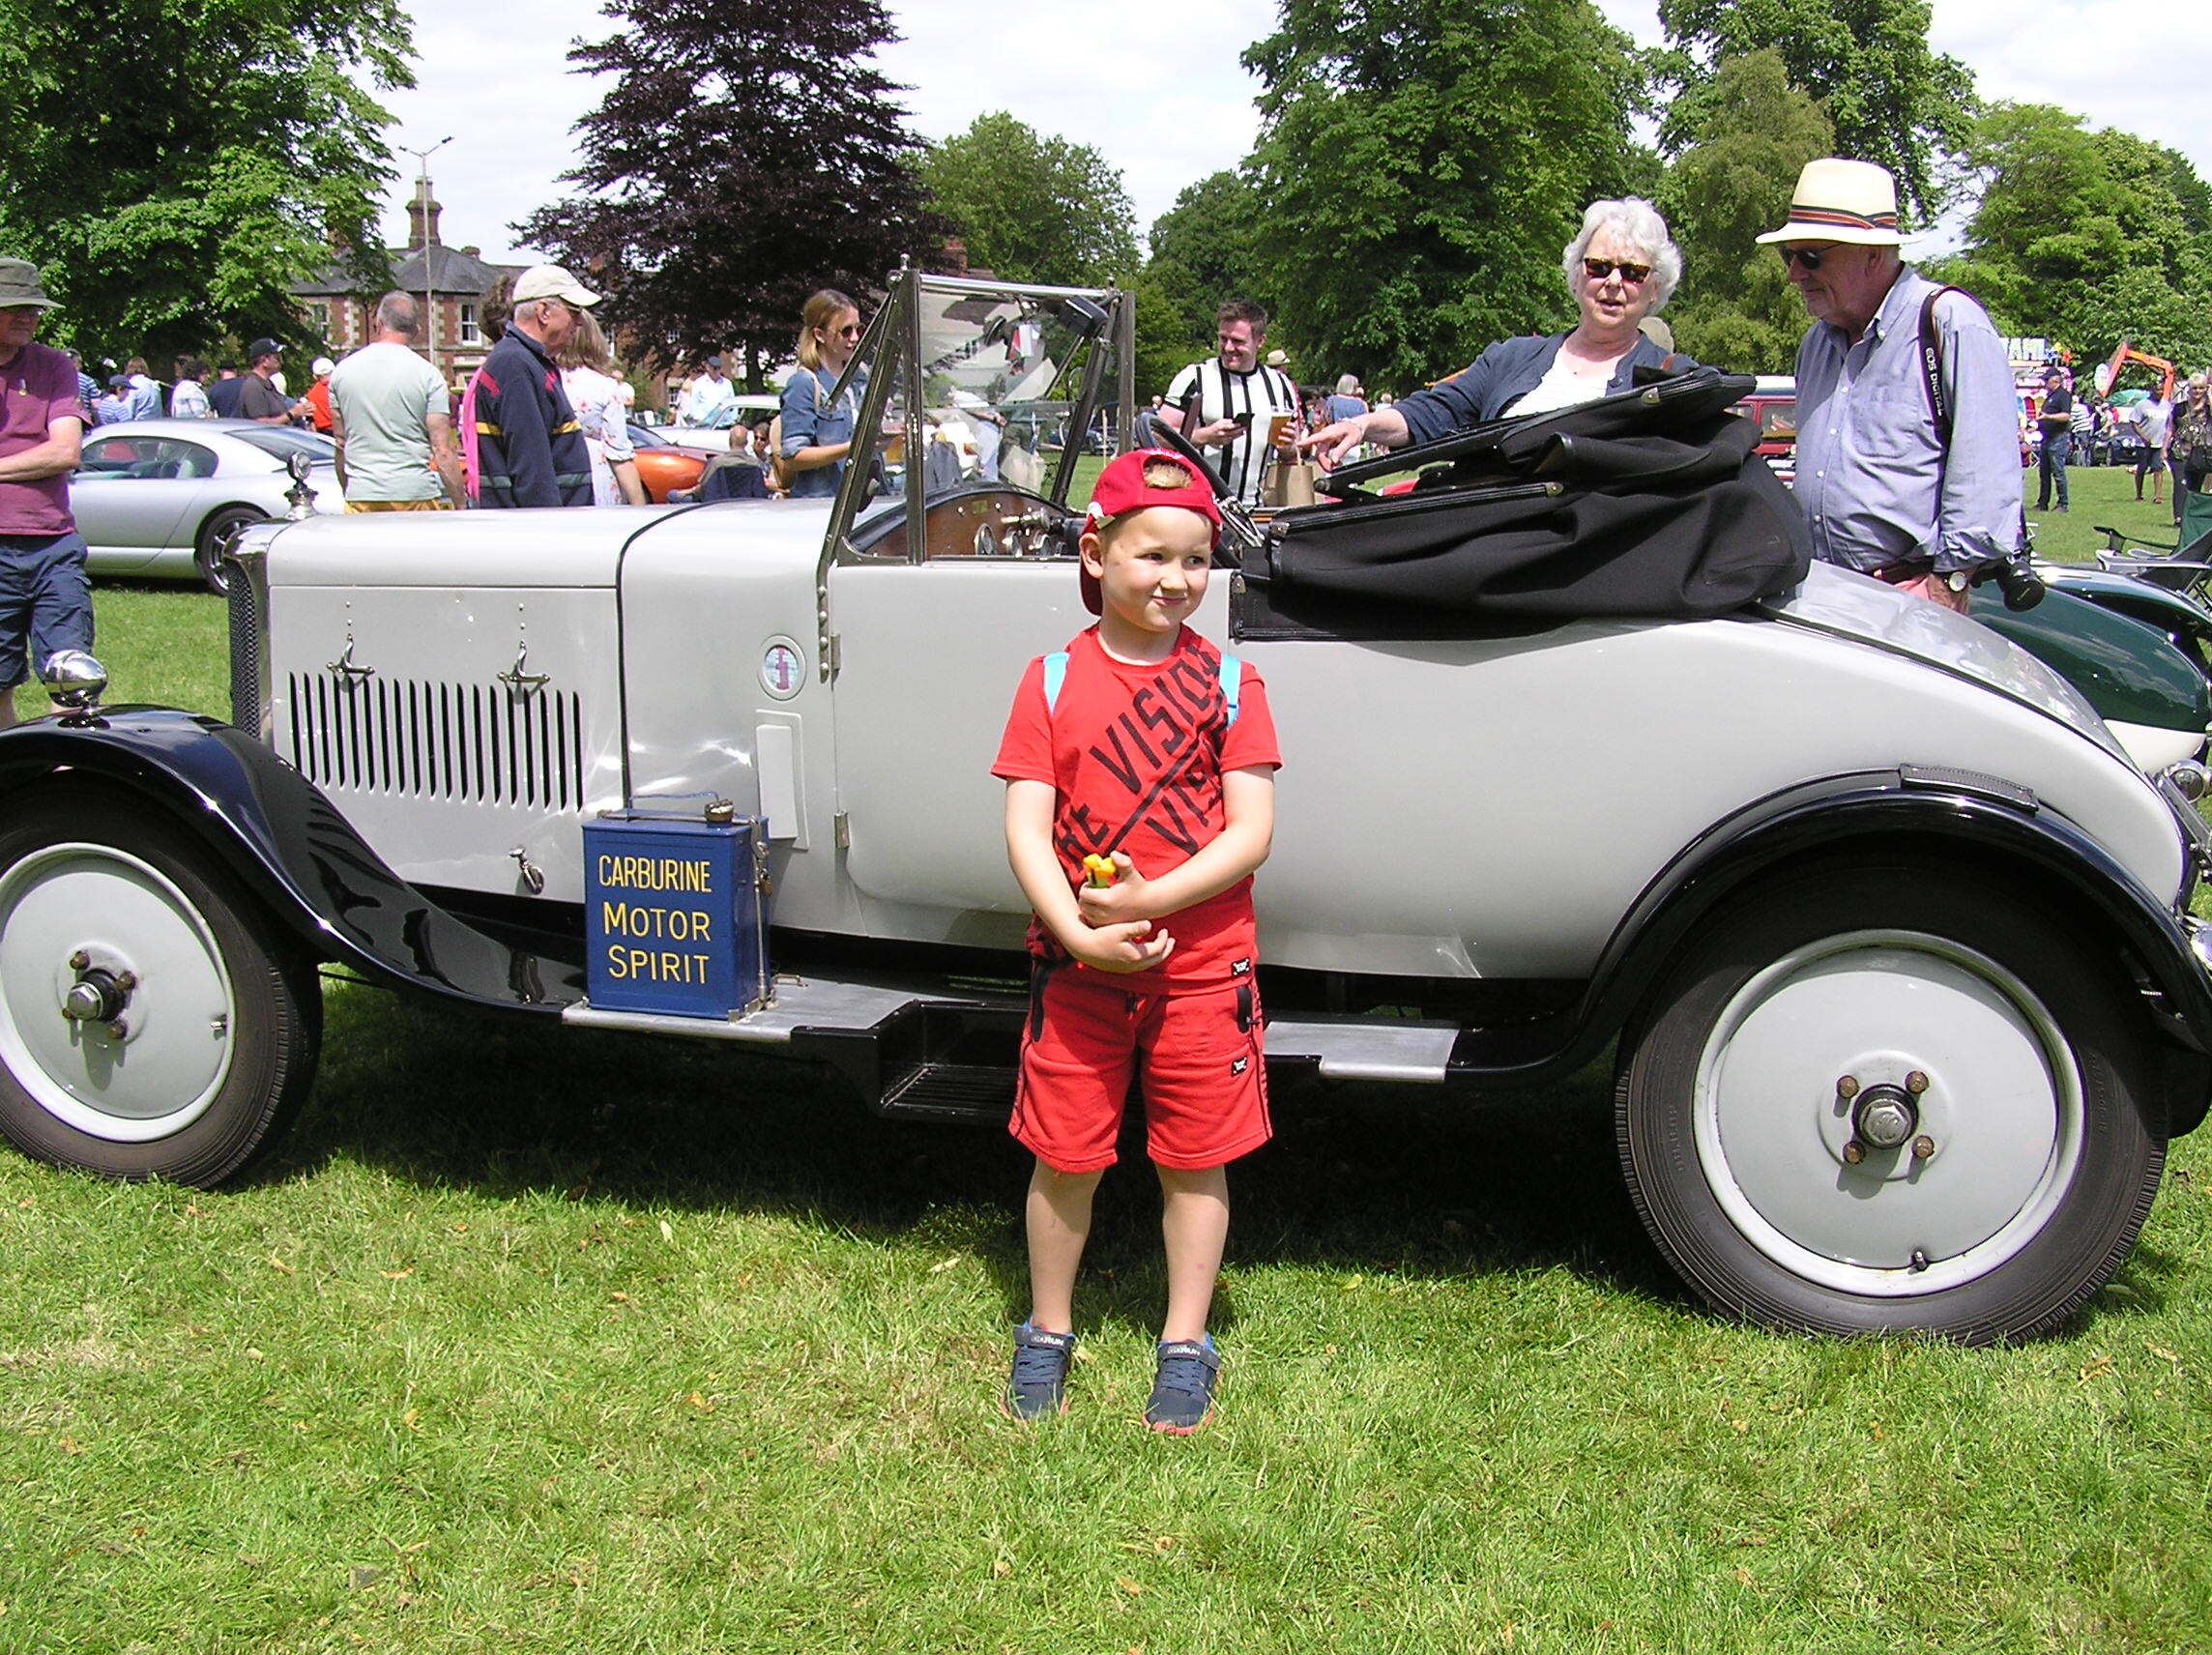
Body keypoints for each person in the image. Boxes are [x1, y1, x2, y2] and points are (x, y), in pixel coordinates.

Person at [990, 447, 1282, 1433]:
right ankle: (1047, 1328)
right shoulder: (1050, 680)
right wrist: (1077, 933)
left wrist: (1154, 896)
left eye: (1195, 559)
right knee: (1064, 1154)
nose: (1175, 579)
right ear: (1096, 552)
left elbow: (1250, 832)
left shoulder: (1231, 681)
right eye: (1152, 554)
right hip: (1076, 972)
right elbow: (1026, 827)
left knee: (1195, 1158)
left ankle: (1185, 1342)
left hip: (1202, 971)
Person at [1761, 158, 2019, 614]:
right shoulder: (1816, 343)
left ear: (1873, 255)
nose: (1794, 273)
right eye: (1789, 255)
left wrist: (1949, 584)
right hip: (1819, 593)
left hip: (1911, 601)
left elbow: (1986, 478)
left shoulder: (1948, 324)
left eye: (1811, 257)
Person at [1303, 198, 1689, 469]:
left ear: (1655, 288)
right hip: (1492, 538)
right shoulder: (1509, 359)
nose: (1613, 282)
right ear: (1577, 276)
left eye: (1633, 272)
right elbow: (1432, 413)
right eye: (1599, 267)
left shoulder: (1675, 380)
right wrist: (1362, 425)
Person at [0, 257, 96, 732]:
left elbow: (64, 452)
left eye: (34, 308)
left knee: (73, 675)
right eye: (15, 307)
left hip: (53, 544)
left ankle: (66, 769)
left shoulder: (54, 365)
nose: (28, 317)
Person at [474, 265, 597, 508]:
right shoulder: (515, 364)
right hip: (541, 524)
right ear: (544, 312)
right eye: (574, 311)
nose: (580, 322)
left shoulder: (529, 361)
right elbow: (531, 468)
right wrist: (550, 524)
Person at [327, 291, 464, 512]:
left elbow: (341, 443)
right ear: (416, 331)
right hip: (414, 493)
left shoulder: (342, 372)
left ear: (378, 324)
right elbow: (442, 450)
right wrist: (461, 504)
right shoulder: (428, 375)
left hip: (362, 494)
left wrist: (349, 489)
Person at [1157, 300, 1299, 507]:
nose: (1228, 347)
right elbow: (1157, 437)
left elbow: (1291, 454)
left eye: (1237, 341)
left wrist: (1288, 447)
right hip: (1197, 508)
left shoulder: (1280, 385)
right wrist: (1205, 436)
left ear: (1260, 341)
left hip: (1253, 510)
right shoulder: (1195, 377)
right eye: (1223, 338)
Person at [779, 289, 866, 499]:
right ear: (819, 335)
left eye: (859, 329)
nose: (855, 338)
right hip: (823, 504)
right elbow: (793, 456)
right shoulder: (804, 384)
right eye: (845, 331)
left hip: (863, 499)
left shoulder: (861, 379)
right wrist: (852, 448)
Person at [555, 309, 647, 506]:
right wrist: (640, 508)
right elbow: (619, 455)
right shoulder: (605, 386)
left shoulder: (542, 379)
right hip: (594, 476)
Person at [2172, 372, 2211, 528]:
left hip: (2201, 452)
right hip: (2179, 451)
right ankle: (2179, 517)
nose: (2197, 391)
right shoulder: (2179, 407)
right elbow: (2170, 428)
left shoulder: (2208, 408)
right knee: (2180, 482)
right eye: (2194, 388)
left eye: (2201, 388)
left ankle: (2190, 517)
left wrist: (2210, 396)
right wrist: (2163, 448)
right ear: (2189, 388)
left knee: (2194, 486)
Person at [2035, 364, 2072, 513]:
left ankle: (2063, 503)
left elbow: (2066, 416)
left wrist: (2049, 417)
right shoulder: (2050, 396)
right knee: (2044, 472)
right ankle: (2042, 503)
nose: (2044, 383)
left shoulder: (2063, 395)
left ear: (2055, 380)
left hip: (2058, 437)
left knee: (2058, 471)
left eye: (2047, 380)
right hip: (2047, 437)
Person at [237, 338, 294, 426]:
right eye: (277, 358)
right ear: (264, 361)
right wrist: (291, 414)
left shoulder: (267, 384)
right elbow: (260, 424)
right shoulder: (253, 387)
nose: (281, 362)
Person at [2135, 384, 2173, 507]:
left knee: (2158, 468)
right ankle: (2139, 494)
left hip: (2159, 444)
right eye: (2157, 389)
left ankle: (2158, 496)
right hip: (2143, 444)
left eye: (2162, 389)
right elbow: (2134, 423)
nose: (2160, 392)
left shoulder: (2167, 405)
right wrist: (2143, 437)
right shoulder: (2142, 405)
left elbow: (2170, 424)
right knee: (2142, 469)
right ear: (2152, 390)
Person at [676, 355, 739, 428]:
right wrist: (698, 420)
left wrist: (733, 419)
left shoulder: (727, 383)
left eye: (719, 368)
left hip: (724, 424)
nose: (716, 371)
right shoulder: (699, 383)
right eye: (714, 368)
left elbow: (733, 403)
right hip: (704, 425)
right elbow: (694, 404)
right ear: (708, 367)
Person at [300, 357, 336, 434]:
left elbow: (311, 420)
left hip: (323, 433)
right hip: (343, 429)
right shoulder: (339, 387)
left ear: (315, 376)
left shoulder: (311, 394)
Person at [123, 357, 161, 422]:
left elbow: (128, 413)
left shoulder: (131, 385)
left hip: (138, 425)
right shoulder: (155, 385)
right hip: (156, 423)